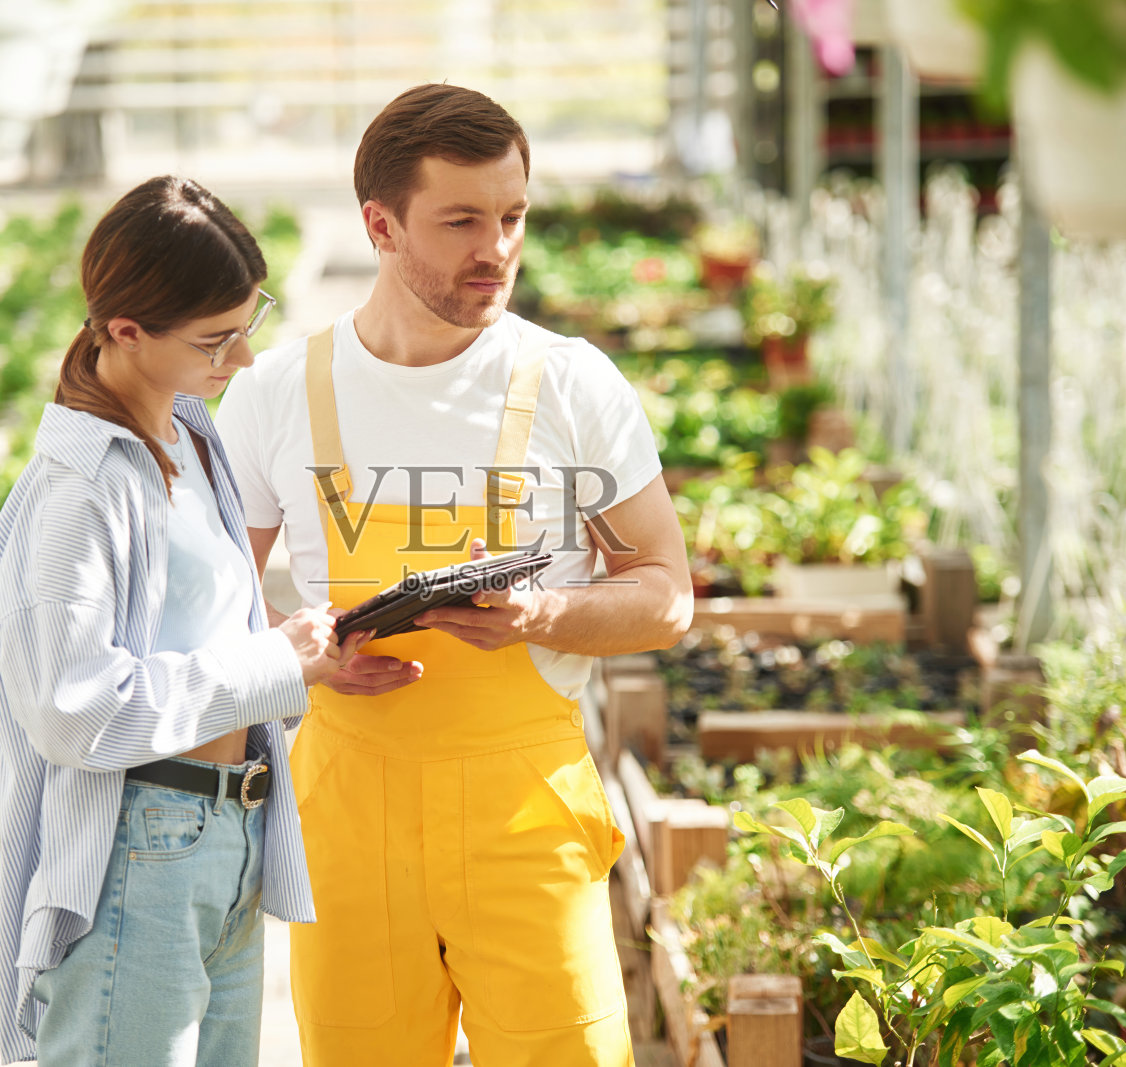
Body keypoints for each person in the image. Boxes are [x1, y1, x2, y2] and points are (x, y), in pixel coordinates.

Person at [216, 85, 694, 1066]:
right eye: (462, 220)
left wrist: (541, 609)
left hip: (526, 808)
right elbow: (214, 594)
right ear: (379, 225)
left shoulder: (569, 381)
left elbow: (667, 593)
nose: (497, 247)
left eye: (512, 215)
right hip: (348, 814)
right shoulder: (273, 394)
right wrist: (303, 654)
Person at [0, 175, 368, 1066]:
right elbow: (75, 709)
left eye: (248, 324)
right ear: (124, 331)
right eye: (216, 340)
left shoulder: (189, 433)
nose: (244, 361)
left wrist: (314, 654)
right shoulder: (81, 489)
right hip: (140, 846)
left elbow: (204, 627)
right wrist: (270, 663)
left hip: (230, 833)